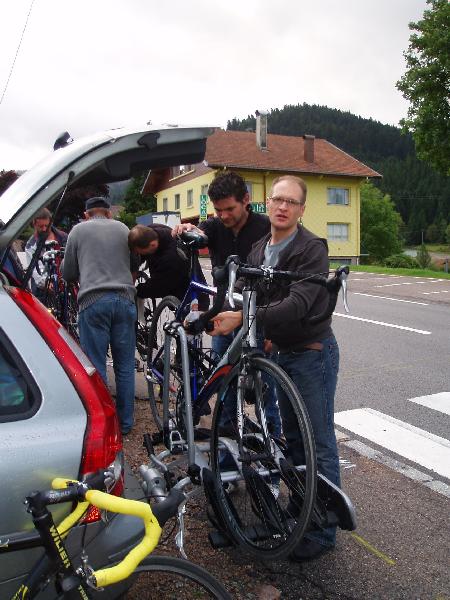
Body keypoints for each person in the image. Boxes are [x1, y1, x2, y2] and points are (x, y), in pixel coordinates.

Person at [210, 175, 341, 562]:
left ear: (301, 210)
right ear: (267, 204)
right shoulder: (257, 249)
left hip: (311, 355)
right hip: (281, 356)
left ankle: (323, 529)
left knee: (318, 443)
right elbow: (248, 295)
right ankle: (300, 511)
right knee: (295, 442)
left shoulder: (311, 248)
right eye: (277, 200)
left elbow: (298, 304)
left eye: (292, 202)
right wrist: (221, 317)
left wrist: (245, 319)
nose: (283, 207)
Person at [172, 171, 270, 357]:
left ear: (246, 199)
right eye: (218, 210)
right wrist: (189, 229)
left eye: (230, 209)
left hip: (254, 313)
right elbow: (201, 232)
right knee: (218, 373)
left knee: (257, 377)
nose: (223, 216)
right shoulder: (214, 225)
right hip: (222, 309)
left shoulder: (265, 227)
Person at [61, 197, 136, 435]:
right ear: (108, 213)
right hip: (125, 300)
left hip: (93, 302)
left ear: (86, 214)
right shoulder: (123, 229)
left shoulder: (77, 231)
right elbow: (136, 261)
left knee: (96, 364)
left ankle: (106, 425)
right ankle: (125, 424)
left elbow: (68, 272)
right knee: (125, 366)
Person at [128, 224, 191, 302]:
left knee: (186, 310)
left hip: (187, 291)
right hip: (170, 273)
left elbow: (158, 287)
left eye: (143, 253)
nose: (141, 255)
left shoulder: (170, 258)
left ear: (152, 245)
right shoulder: (149, 232)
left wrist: (136, 291)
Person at [25, 208, 67, 301]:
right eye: (41, 226)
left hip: (65, 288)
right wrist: (45, 284)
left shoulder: (63, 237)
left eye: (46, 226)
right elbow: (33, 270)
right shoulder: (31, 244)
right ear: (34, 224)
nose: (44, 229)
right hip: (43, 292)